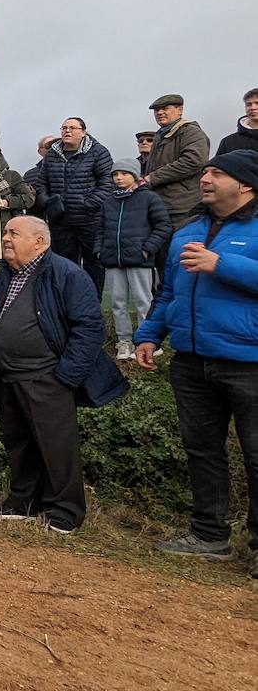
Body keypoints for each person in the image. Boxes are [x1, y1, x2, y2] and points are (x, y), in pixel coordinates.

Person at [136, 150, 258, 575]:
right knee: (202, 449)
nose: (206, 178)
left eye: (217, 173)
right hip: (191, 359)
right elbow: (167, 292)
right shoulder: (188, 230)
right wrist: (150, 334)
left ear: (246, 184)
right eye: (204, 171)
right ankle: (210, 535)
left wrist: (222, 264)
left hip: (247, 360)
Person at [0, 217, 128, 533]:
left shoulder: (66, 274)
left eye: (14, 233)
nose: (5, 237)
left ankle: (65, 511)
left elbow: (89, 328)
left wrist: (66, 376)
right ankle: (23, 502)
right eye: (4, 231)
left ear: (39, 242)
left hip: (46, 377)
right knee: (18, 443)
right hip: (7, 376)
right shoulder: (6, 275)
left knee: (56, 445)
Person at [95, 159, 171, 358]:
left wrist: (147, 249)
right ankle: (124, 341)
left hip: (139, 259)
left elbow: (163, 225)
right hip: (113, 260)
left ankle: (147, 340)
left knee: (143, 301)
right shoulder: (109, 201)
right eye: (115, 174)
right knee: (118, 302)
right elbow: (100, 229)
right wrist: (99, 251)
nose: (119, 178)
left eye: (124, 174)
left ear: (135, 176)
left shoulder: (149, 198)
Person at [35, 117, 113, 295]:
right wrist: (48, 202)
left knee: (93, 263)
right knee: (63, 264)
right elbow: (41, 183)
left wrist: (89, 204)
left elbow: (107, 183)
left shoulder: (98, 152)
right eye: (63, 128)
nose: (67, 131)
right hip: (60, 220)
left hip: (90, 219)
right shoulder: (53, 154)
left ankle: (92, 303)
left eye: (72, 128)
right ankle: (67, 303)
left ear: (83, 132)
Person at [140, 94, 211, 281]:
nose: (160, 113)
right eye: (157, 110)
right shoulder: (161, 135)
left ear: (180, 110)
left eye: (166, 108)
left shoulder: (190, 132)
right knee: (163, 262)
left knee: (181, 261)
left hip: (182, 209)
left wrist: (153, 178)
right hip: (162, 208)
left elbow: (194, 160)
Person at [216, 88, 258, 156]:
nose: (252, 107)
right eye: (249, 104)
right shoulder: (228, 142)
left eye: (257, 103)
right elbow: (218, 165)